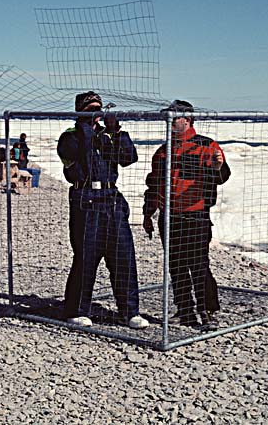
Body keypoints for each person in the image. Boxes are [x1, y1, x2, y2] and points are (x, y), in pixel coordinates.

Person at [57, 91, 148, 329]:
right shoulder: (71, 136)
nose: (96, 113)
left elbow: (129, 158)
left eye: (98, 108)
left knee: (123, 256)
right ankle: (77, 309)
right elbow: (82, 156)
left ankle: (129, 311)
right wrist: (87, 125)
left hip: (111, 198)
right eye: (90, 109)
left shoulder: (107, 135)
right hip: (85, 198)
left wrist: (116, 131)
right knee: (86, 255)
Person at [142, 100, 231, 327]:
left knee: (198, 264)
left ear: (187, 119)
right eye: (168, 118)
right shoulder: (163, 152)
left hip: (196, 216)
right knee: (176, 266)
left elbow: (221, 177)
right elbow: (153, 185)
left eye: (174, 118)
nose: (170, 122)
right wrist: (148, 213)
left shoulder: (207, 146)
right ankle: (184, 310)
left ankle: (208, 310)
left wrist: (219, 167)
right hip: (169, 217)